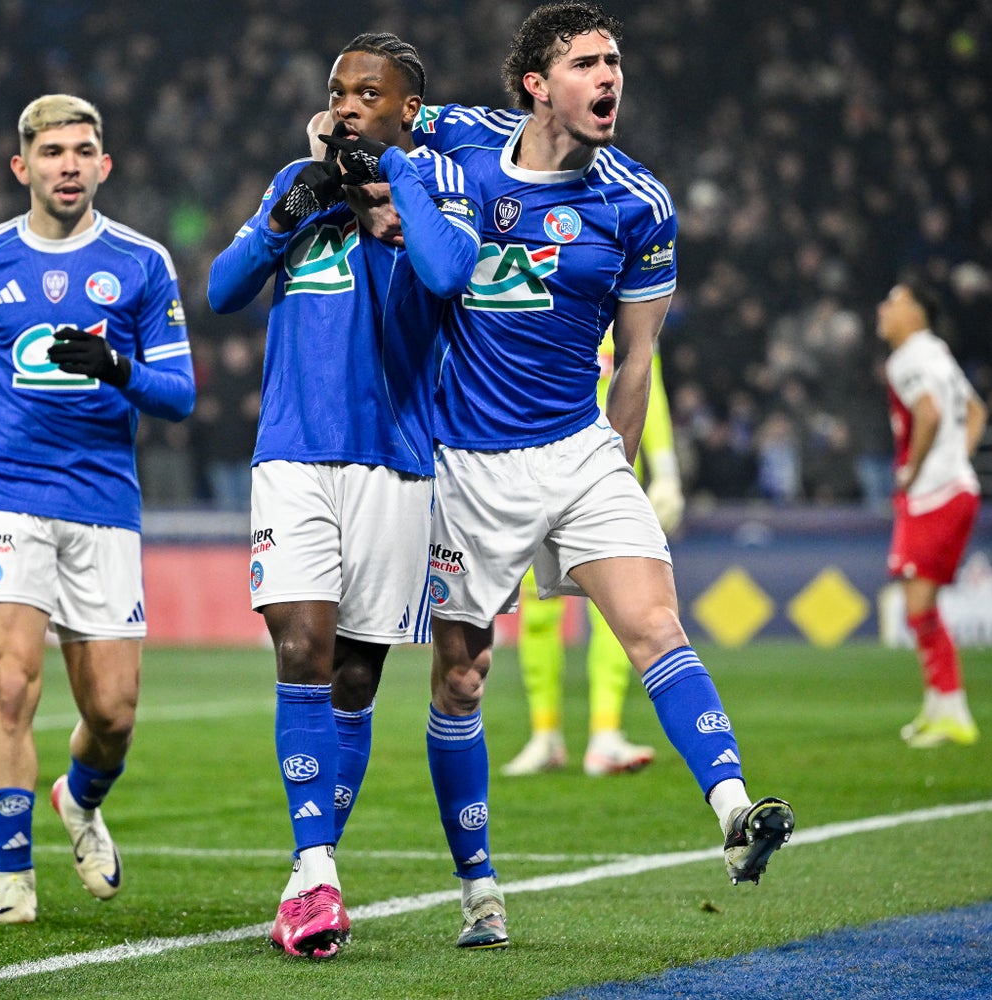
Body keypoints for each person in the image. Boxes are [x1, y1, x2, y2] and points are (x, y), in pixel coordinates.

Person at [398, 2, 795, 949]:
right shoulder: (459, 139)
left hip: (579, 450)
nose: (609, 77)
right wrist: (332, 130)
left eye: (615, 61)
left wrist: (616, 468)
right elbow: (374, 115)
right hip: (468, 463)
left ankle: (735, 812)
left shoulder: (638, 203)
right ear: (537, 84)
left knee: (654, 622)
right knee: (460, 678)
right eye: (586, 62)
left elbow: (640, 356)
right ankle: (479, 888)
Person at [0, 94, 195, 925]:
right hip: (8, 493)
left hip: (104, 505)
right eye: (52, 152)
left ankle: (80, 800)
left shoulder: (143, 263)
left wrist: (117, 367)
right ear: (22, 166)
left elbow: (182, 396)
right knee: (12, 684)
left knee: (114, 715)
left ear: (105, 165)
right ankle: (12, 878)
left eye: (83, 151)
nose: (68, 165)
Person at [207, 33, 480, 959]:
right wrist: (298, 206)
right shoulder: (300, 183)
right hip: (294, 454)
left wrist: (389, 177)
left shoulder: (436, 185)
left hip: (398, 463)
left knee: (357, 679)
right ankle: (319, 866)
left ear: (408, 108)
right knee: (303, 644)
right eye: (339, 89)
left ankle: (304, 878)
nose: (350, 102)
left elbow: (447, 276)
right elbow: (222, 289)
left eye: (371, 92)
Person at [503, 325, 683, 777]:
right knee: (536, 610)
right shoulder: (539, 297)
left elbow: (648, 385)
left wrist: (666, 470)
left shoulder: (623, 309)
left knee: (618, 610)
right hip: (537, 471)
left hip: (606, 482)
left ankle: (605, 733)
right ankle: (545, 735)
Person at [877, 281, 985, 748]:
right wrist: (957, 462)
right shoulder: (937, 352)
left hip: (933, 494)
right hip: (951, 487)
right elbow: (976, 411)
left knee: (918, 605)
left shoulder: (908, 359)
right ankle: (941, 707)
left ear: (916, 313)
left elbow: (929, 411)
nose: (883, 309)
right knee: (921, 605)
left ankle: (953, 712)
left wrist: (913, 469)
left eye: (895, 301)